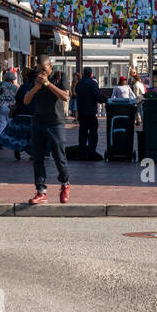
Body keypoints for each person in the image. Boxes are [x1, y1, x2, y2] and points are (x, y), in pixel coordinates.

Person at [23, 56, 71, 205]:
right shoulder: (35, 78)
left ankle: (65, 183)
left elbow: (65, 96)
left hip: (56, 122)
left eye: (44, 70)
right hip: (39, 121)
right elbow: (26, 100)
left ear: (50, 67)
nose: (41, 73)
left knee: (59, 157)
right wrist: (36, 87)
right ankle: (41, 191)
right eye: (38, 70)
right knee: (37, 157)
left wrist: (48, 84)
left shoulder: (60, 76)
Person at [74, 66, 105, 158]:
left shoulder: (79, 84)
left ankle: (82, 150)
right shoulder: (93, 83)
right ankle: (91, 151)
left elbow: (76, 94)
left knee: (82, 131)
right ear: (91, 74)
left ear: (83, 73)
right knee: (93, 132)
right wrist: (102, 100)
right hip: (91, 112)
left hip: (82, 112)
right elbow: (97, 96)